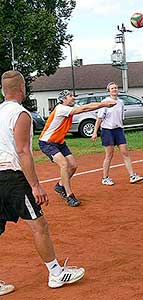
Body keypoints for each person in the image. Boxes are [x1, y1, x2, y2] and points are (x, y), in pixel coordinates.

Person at [0, 70, 85, 293]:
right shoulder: (21, 114)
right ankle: (56, 274)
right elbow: (23, 151)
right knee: (39, 226)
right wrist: (35, 185)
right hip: (13, 178)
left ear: (2, 90)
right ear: (22, 89)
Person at [39, 90, 116, 207]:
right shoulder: (61, 108)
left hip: (59, 142)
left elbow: (87, 107)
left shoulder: (69, 107)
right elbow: (84, 109)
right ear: (64, 99)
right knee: (64, 164)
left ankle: (60, 186)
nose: (73, 98)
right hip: (47, 142)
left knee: (73, 166)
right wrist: (104, 104)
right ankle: (69, 196)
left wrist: (100, 107)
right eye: (70, 96)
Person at [91, 82, 143, 185]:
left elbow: (121, 117)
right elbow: (99, 118)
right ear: (109, 91)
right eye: (112, 88)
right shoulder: (105, 102)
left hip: (118, 130)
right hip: (107, 131)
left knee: (125, 153)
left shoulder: (121, 102)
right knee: (109, 155)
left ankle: (132, 176)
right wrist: (94, 132)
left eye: (115, 88)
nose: (114, 89)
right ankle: (105, 178)